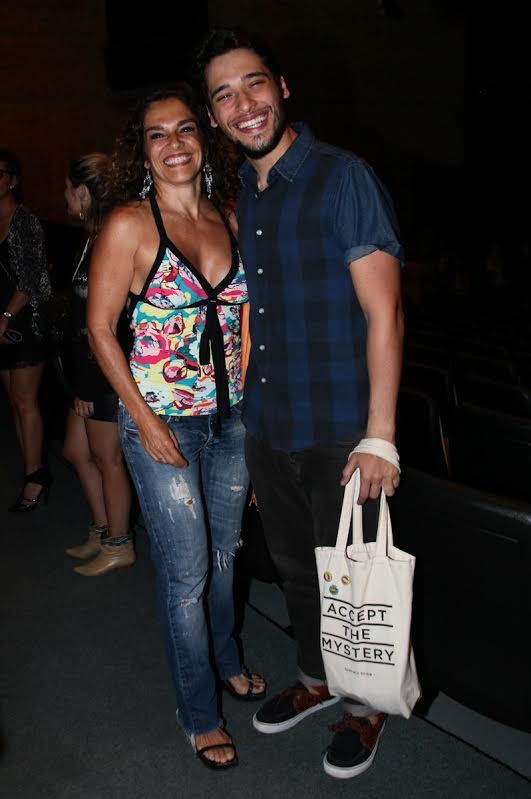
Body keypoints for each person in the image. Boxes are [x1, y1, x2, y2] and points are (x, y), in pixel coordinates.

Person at [196, 29, 404, 779]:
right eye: (222, 93)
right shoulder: (243, 194)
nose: (241, 103)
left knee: (354, 578)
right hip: (271, 421)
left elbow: (384, 312)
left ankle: (364, 705)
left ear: (281, 87)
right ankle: (317, 677)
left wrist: (379, 434)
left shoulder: (341, 176)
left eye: (252, 84)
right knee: (294, 569)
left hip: (341, 426)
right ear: (214, 114)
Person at [86, 84, 265, 769]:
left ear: (204, 138)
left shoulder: (230, 216)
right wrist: (143, 418)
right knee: (186, 572)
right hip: (163, 422)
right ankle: (199, 712)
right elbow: (100, 330)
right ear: (144, 151)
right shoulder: (131, 224)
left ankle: (225, 659)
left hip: (233, 422)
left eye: (185, 129)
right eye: (158, 134)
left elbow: (246, 320)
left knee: (226, 554)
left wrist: (253, 411)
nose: (174, 143)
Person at [62, 153, 134, 576]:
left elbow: (108, 324)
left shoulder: (112, 236)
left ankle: (119, 542)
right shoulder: (92, 236)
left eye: (67, 188)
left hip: (104, 373)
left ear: (83, 192)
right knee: (75, 450)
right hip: (86, 371)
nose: (64, 197)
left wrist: (89, 386)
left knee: (108, 459)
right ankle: (104, 527)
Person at [0, 148, 52, 512]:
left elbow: (33, 278)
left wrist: (5, 315)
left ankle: (36, 477)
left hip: (24, 322)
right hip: (0, 322)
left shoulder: (25, 221)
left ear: (12, 180)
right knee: (15, 403)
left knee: (25, 401)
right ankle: (30, 468)